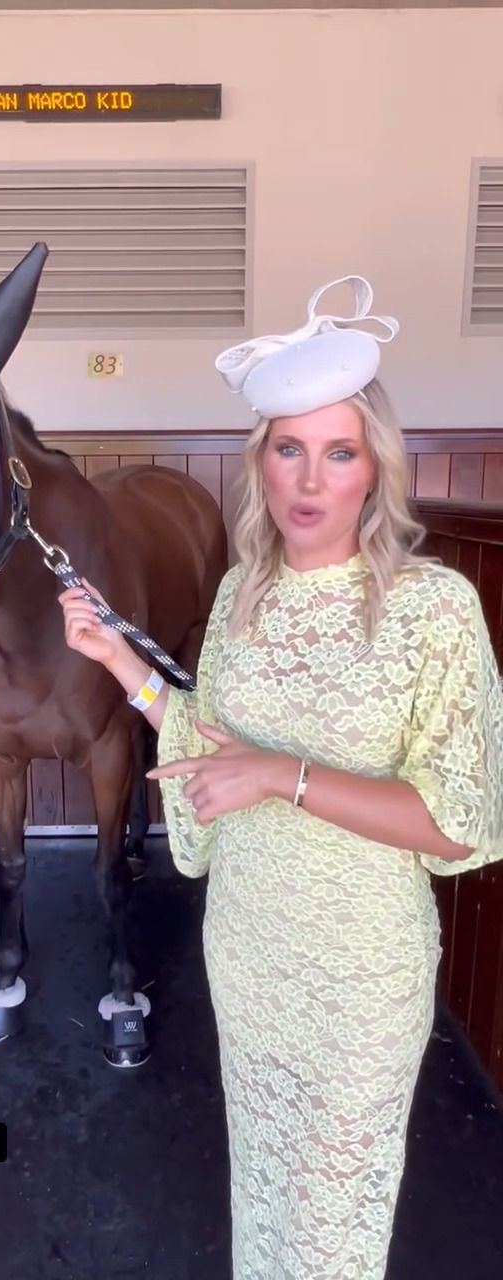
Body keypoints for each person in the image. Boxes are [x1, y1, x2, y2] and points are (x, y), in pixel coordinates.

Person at [57, 277, 503, 1279]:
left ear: (375, 468)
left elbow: (457, 820)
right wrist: (117, 658)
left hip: (360, 974)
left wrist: (282, 776)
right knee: (262, 1188)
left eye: (339, 451)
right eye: (288, 448)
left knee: (334, 1219)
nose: (310, 478)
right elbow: (207, 743)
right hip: (248, 950)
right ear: (260, 462)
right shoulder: (240, 596)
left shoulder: (434, 609)